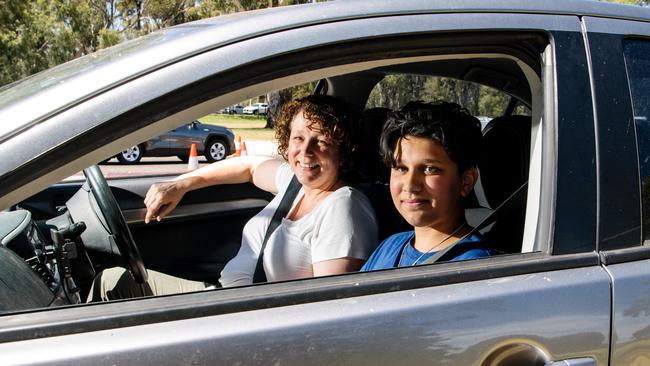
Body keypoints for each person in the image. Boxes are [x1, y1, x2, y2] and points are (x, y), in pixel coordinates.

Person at [89, 95, 378, 301]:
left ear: (344, 151)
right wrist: (181, 184)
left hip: (245, 323)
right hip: (223, 298)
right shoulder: (296, 182)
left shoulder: (344, 209)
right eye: (298, 138)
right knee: (113, 281)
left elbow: (328, 310)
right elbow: (248, 166)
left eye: (322, 141)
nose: (305, 151)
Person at [361, 101, 496, 271]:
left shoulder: (473, 265)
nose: (410, 185)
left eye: (430, 169)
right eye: (401, 168)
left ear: (466, 181)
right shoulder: (391, 246)